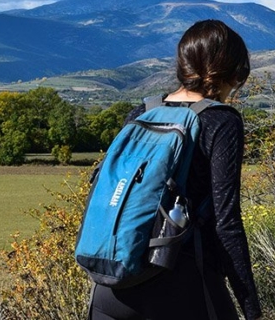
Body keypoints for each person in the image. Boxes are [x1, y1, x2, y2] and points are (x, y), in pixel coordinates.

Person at [90, 19, 262, 320]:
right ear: (233, 71)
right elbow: (227, 224)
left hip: (111, 286)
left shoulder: (142, 113)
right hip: (182, 284)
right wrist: (251, 308)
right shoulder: (221, 121)